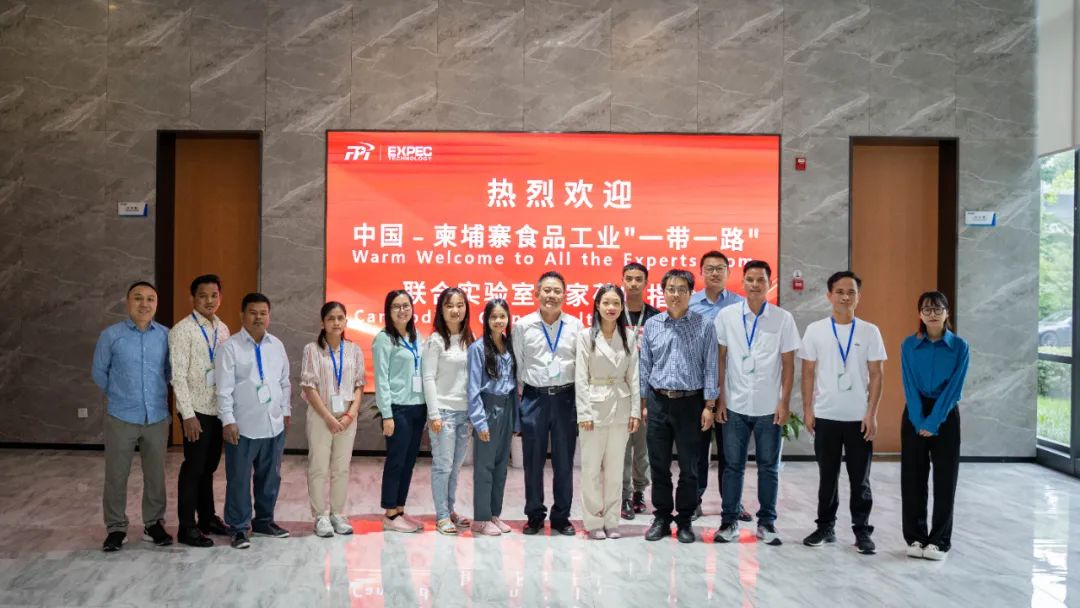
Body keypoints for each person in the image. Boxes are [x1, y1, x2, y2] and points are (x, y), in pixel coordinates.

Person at [714, 260, 800, 547]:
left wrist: (784, 402)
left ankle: (767, 523)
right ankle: (729, 522)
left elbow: (789, 364)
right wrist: (720, 399)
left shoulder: (782, 319)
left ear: (769, 283)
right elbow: (720, 359)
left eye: (760, 280)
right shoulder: (727, 316)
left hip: (768, 406)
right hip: (735, 404)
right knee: (732, 467)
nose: (754, 284)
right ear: (742, 282)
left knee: (769, 467)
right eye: (749, 279)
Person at [799, 271, 886, 555]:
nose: (845, 297)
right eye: (839, 291)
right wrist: (808, 410)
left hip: (859, 418)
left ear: (858, 297)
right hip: (826, 416)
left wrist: (871, 413)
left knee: (860, 479)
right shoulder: (815, 330)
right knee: (828, 477)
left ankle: (862, 531)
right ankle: (825, 527)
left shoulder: (870, 331)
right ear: (829, 295)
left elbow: (877, 374)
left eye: (851, 292)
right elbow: (807, 373)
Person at [92, 281, 173, 552]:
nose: (144, 304)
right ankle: (116, 528)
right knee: (116, 475)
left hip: (156, 417)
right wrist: (119, 395)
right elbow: (99, 372)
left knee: (155, 475)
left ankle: (153, 524)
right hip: (121, 416)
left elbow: (169, 372)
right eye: (138, 298)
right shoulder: (111, 335)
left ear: (156, 304)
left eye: (150, 299)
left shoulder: (166, 336)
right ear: (128, 302)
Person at [639, 269, 718, 544]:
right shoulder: (652, 325)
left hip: (691, 403)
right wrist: (644, 403)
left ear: (690, 293)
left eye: (682, 289)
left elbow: (711, 366)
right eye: (670, 289)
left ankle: (684, 519)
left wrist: (709, 405)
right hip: (658, 402)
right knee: (658, 465)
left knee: (690, 467)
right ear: (663, 292)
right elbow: (645, 366)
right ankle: (661, 517)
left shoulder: (704, 325)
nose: (675, 294)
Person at [217, 292, 291, 549]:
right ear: (242, 315)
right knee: (238, 479)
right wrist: (228, 420)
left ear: (269, 316)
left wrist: (285, 411)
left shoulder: (276, 345)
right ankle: (238, 527)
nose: (258, 317)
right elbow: (223, 389)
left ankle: (264, 521)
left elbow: (284, 382)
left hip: (273, 424)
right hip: (243, 426)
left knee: (270, 477)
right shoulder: (230, 347)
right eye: (253, 312)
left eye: (263, 313)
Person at [512, 271, 584, 536]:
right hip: (534, 398)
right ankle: (534, 516)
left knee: (564, 462)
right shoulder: (523, 326)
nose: (551, 295)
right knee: (532, 462)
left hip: (566, 398)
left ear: (565, 295)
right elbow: (518, 366)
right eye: (547, 290)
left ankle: (561, 517)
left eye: (557, 291)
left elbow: (581, 366)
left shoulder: (576, 326)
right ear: (536, 293)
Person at [900, 291, 969, 561]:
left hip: (946, 414)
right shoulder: (909, 345)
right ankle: (915, 537)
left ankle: (939, 541)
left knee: (945, 479)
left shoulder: (960, 346)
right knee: (912, 479)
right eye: (926, 309)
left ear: (947, 312)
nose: (932, 314)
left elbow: (955, 388)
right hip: (915, 414)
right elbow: (908, 383)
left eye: (938, 309)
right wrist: (919, 420)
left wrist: (933, 421)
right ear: (919, 314)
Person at [170, 274, 232, 548]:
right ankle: (187, 527)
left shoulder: (223, 329)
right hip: (195, 411)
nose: (209, 300)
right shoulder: (182, 330)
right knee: (193, 469)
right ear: (192, 298)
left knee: (209, 468)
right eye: (203, 296)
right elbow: (178, 377)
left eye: (214, 295)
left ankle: (207, 518)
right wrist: (187, 415)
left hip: (217, 410)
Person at [576, 285, 641, 540]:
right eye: (606, 303)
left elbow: (633, 376)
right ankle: (593, 521)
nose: (611, 308)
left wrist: (635, 411)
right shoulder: (586, 336)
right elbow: (581, 377)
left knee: (615, 470)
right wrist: (584, 412)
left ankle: (612, 520)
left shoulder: (629, 336)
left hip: (621, 406)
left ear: (622, 307)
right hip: (593, 407)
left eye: (616, 303)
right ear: (597, 306)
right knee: (591, 468)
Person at [688, 251, 747, 522]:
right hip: (697, 384)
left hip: (729, 384)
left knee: (730, 450)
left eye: (720, 268)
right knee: (697, 449)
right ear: (701, 272)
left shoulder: (740, 305)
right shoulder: (690, 304)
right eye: (710, 268)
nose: (715, 273)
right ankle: (695, 500)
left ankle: (732, 502)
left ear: (728, 272)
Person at [300, 301, 364, 538]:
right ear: (322, 323)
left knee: (341, 468)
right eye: (331, 318)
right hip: (321, 416)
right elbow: (308, 387)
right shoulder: (312, 350)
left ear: (346, 321)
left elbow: (359, 385)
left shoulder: (354, 350)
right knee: (318, 466)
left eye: (340, 318)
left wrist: (349, 415)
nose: (336, 322)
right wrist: (328, 417)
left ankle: (338, 513)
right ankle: (321, 516)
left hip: (347, 417)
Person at [374, 289, 427, 533]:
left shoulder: (417, 337)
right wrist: (387, 414)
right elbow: (381, 380)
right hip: (398, 409)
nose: (402, 310)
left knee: (409, 462)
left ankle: (400, 509)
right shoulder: (384, 339)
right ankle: (390, 513)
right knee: (396, 461)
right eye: (396, 306)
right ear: (388, 310)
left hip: (418, 408)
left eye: (406, 305)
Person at [423, 287, 475, 535]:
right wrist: (434, 414)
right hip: (443, 413)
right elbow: (428, 378)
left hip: (465, 414)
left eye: (460, 305)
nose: (455, 310)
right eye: (449, 305)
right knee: (442, 466)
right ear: (441, 310)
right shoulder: (435, 341)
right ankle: (442, 515)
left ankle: (450, 509)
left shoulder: (470, 340)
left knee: (455, 468)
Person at [467, 299, 518, 536]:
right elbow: (473, 389)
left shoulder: (510, 346)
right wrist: (480, 422)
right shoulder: (477, 349)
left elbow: (514, 384)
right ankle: (481, 518)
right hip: (488, 408)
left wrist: (515, 419)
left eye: (502, 316)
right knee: (484, 466)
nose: (499, 321)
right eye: (494, 317)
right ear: (486, 320)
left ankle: (494, 514)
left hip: (507, 408)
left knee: (501, 466)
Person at [619, 262, 658, 520]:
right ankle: (623, 493)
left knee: (642, 447)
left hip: (646, 391)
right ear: (622, 281)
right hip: (619, 389)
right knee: (621, 446)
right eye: (629, 278)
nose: (633, 283)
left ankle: (639, 492)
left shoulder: (655, 316)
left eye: (638, 279)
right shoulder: (613, 312)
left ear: (646, 283)